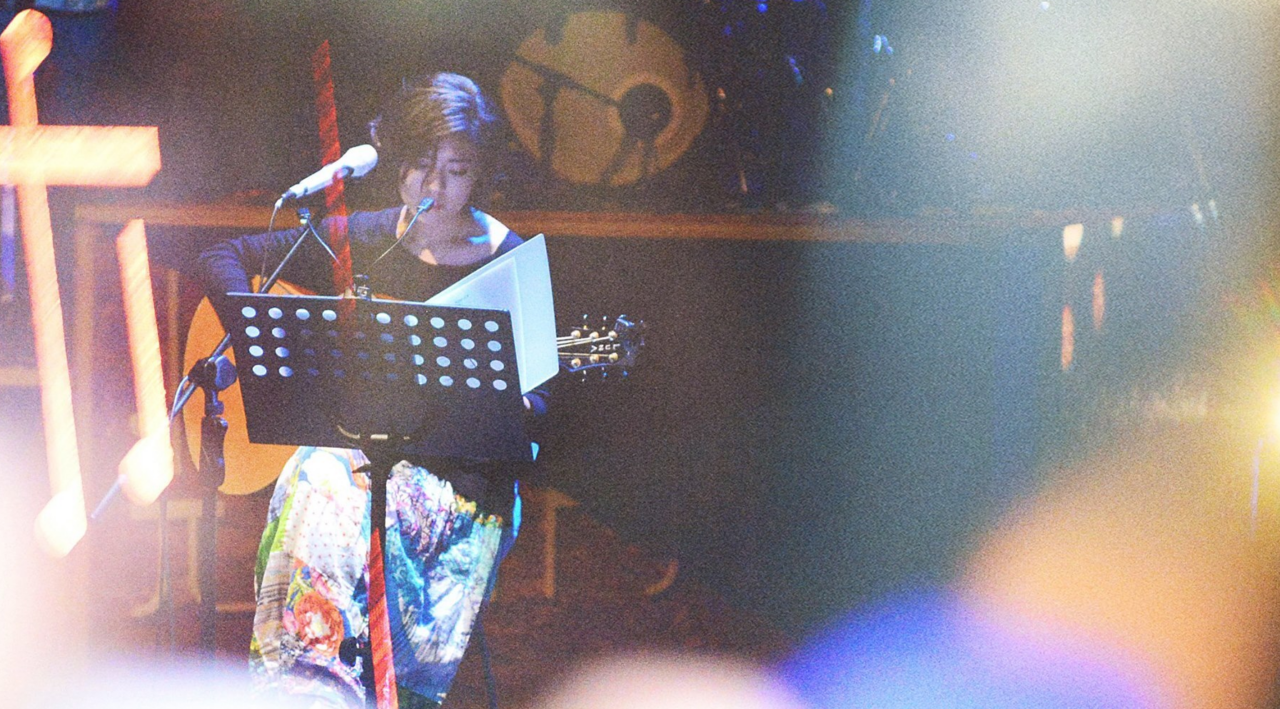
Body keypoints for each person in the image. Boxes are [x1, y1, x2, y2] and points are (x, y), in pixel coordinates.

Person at [197, 72, 543, 709]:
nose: (435, 187)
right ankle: (309, 686)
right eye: (420, 166)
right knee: (322, 468)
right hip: (358, 465)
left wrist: (510, 405)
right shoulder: (365, 235)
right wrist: (256, 332)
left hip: (460, 489)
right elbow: (224, 253)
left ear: (480, 174)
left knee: (323, 473)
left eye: (456, 171)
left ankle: (323, 684)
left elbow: (540, 408)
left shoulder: (509, 256)